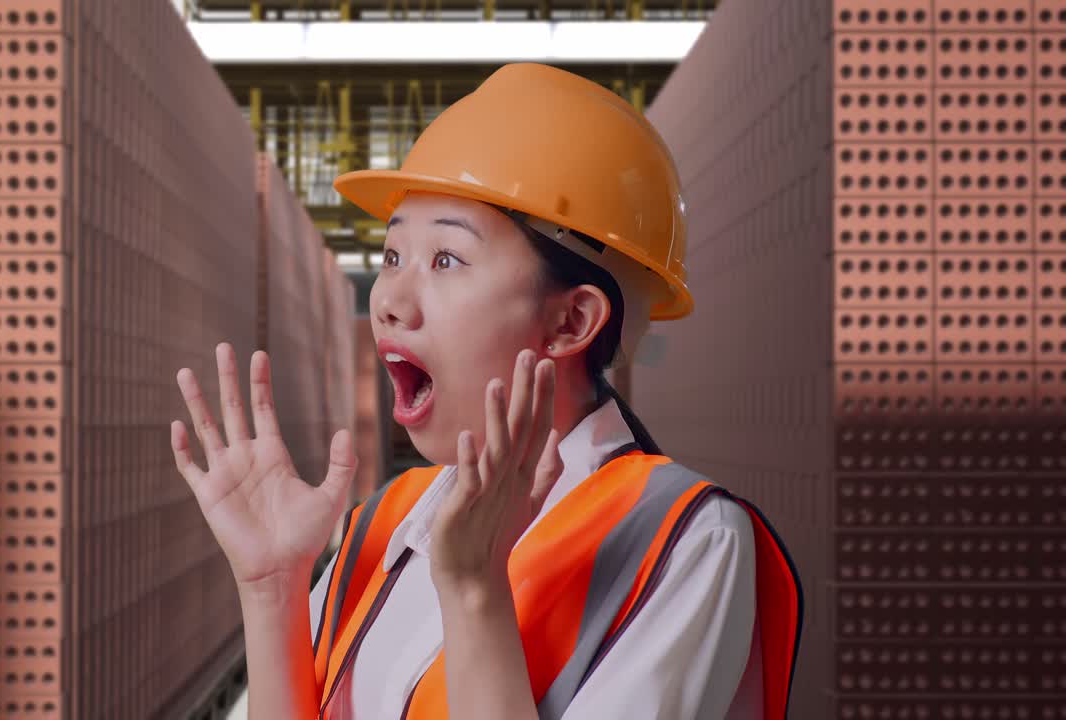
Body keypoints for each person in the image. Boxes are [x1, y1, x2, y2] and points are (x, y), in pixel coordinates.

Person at [170, 63, 802, 720]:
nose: (389, 301)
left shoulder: (685, 539)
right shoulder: (387, 520)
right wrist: (273, 589)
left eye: (446, 258)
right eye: (393, 257)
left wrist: (476, 593)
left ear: (571, 321)